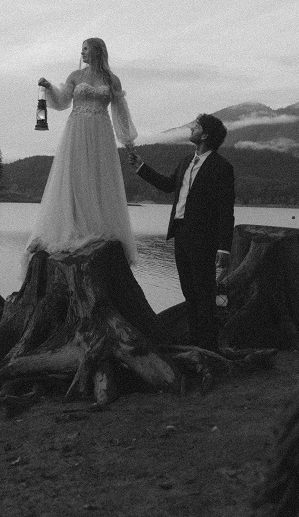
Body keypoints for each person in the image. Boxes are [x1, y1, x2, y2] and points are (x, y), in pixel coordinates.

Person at [25, 38, 138, 267]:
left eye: (85, 49)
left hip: (101, 133)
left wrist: (127, 140)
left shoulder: (112, 79)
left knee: (98, 177)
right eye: (82, 49)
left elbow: (120, 111)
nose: (82, 53)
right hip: (76, 130)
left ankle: (97, 227)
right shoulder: (75, 76)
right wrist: (49, 88)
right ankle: (73, 227)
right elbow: (62, 102)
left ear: (97, 50)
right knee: (75, 176)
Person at [128, 114, 234, 352]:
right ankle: (194, 343)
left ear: (205, 135)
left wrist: (224, 247)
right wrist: (141, 168)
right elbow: (168, 185)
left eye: (196, 126)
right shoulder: (186, 160)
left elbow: (226, 210)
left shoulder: (222, 167)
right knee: (189, 292)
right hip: (180, 234)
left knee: (204, 293)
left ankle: (208, 347)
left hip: (204, 239)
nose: (191, 129)